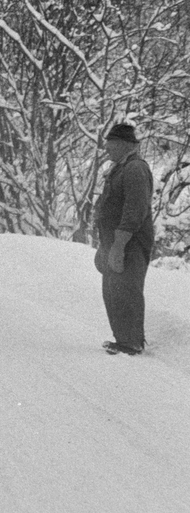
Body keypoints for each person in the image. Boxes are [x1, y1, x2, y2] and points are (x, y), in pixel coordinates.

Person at [94, 122, 154, 355]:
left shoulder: (135, 168)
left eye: (110, 144)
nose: (107, 148)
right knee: (113, 289)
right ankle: (123, 340)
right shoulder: (121, 168)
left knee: (126, 289)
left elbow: (135, 211)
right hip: (115, 241)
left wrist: (119, 245)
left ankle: (131, 343)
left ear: (122, 145)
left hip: (130, 243)